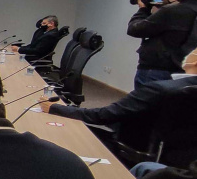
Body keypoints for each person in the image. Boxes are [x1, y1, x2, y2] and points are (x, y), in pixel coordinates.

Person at [40, 49, 197, 151]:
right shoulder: (182, 89)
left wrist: (56, 108)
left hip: (128, 148)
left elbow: (104, 115)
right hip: (174, 157)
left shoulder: (159, 89)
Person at [128, 0, 197, 89]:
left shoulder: (173, 11)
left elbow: (134, 29)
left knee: (145, 107)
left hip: (157, 71)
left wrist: (143, 9)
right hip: (186, 75)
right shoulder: (177, 10)